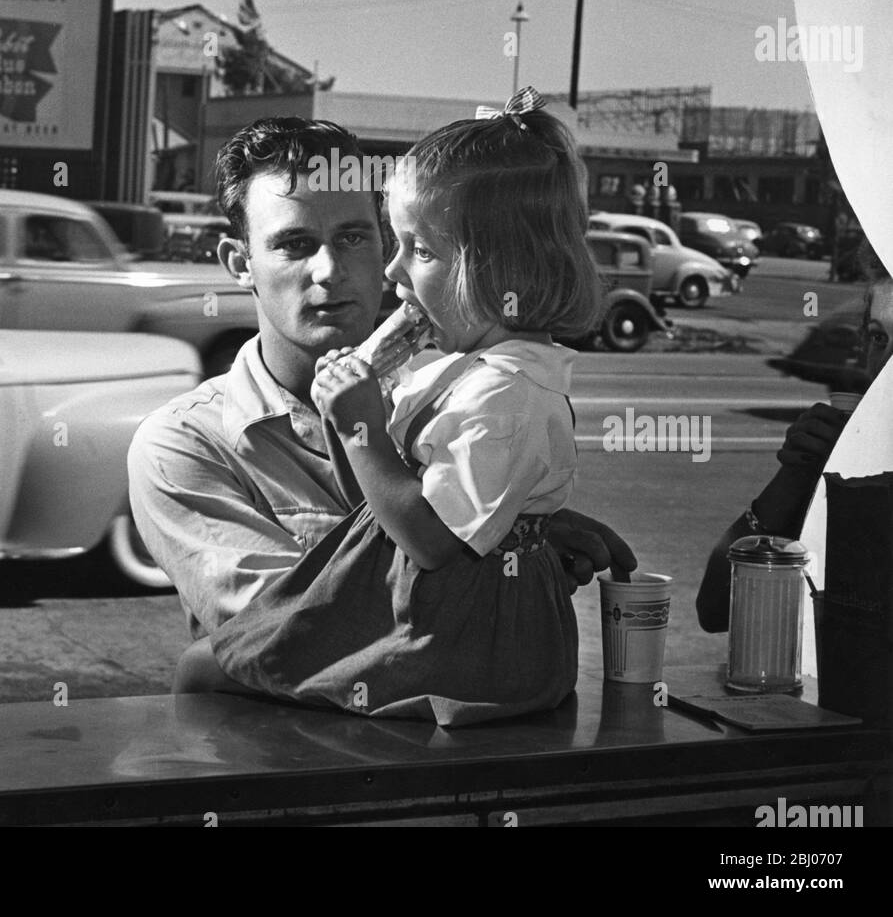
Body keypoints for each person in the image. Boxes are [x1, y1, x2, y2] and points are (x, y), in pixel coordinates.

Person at [169, 90, 614, 726]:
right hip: (433, 614)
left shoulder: (501, 392)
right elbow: (371, 514)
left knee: (201, 671)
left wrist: (361, 430)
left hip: (453, 638)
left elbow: (429, 543)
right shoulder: (179, 442)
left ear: (496, 269)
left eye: (420, 250)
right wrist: (350, 422)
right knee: (210, 665)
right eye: (294, 244)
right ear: (240, 263)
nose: (392, 272)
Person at [696, 254, 893, 632]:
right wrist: (796, 476)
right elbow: (718, 608)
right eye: (878, 337)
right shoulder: (842, 461)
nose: (884, 364)